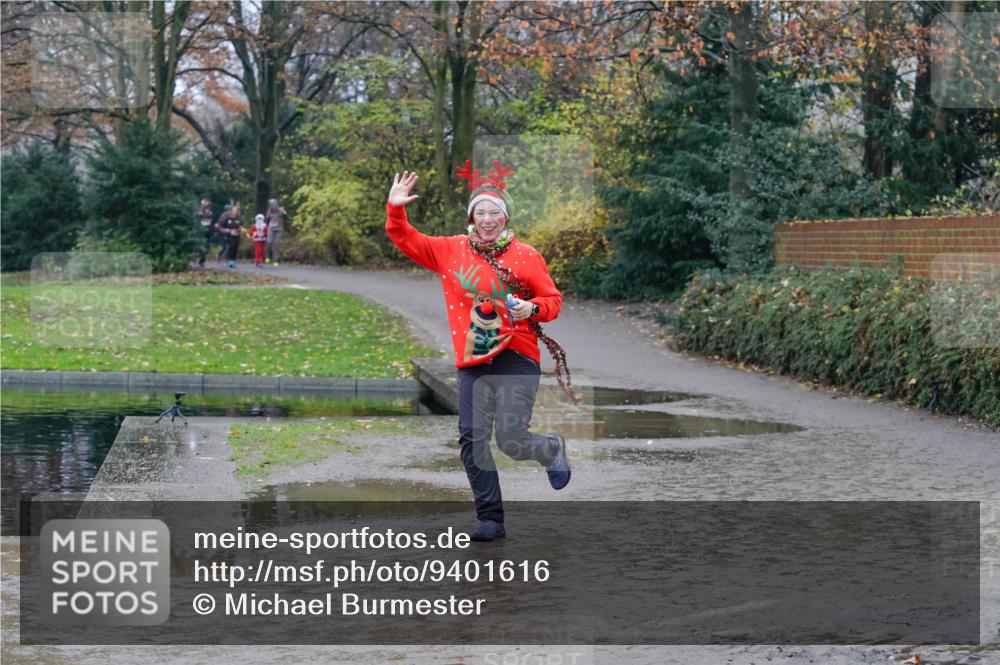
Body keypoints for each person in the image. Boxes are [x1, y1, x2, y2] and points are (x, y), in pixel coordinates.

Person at [385, 164, 573, 542]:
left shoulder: (525, 256)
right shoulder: (449, 250)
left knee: (510, 438)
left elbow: (552, 300)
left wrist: (531, 309)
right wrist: (395, 208)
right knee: (472, 437)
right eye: (480, 212)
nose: (488, 220)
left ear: (505, 217)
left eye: (495, 213)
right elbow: (406, 237)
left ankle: (550, 448)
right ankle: (491, 519)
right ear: (472, 216)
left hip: (517, 354)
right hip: (473, 359)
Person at [219, 203, 243, 268]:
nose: (234, 212)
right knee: (231, 247)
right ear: (231, 211)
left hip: (237, 236)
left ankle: (233, 260)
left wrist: (241, 229)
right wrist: (226, 230)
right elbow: (221, 227)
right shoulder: (227, 219)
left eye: (236, 210)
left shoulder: (239, 219)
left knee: (235, 248)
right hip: (229, 236)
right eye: (233, 210)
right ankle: (230, 261)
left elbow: (241, 226)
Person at [265, 198, 286, 266]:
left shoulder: (281, 210)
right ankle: (267, 256)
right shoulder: (269, 211)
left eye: (273, 206)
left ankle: (275, 260)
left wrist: (282, 212)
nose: (273, 208)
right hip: (271, 229)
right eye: (271, 206)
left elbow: (285, 216)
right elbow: (267, 220)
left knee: (276, 244)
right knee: (269, 241)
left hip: (279, 230)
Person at [195, 199, 215, 267]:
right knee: (201, 247)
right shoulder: (199, 214)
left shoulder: (211, 214)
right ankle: (201, 260)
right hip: (201, 234)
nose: (207, 210)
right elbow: (196, 221)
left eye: (208, 208)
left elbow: (214, 223)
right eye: (206, 208)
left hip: (209, 233)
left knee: (207, 247)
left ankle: (201, 258)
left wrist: (214, 229)